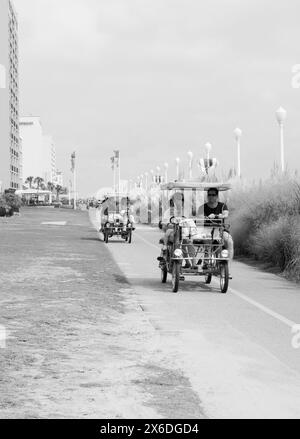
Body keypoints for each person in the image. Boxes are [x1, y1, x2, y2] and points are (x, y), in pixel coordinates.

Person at [197, 187, 234, 261]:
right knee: (207, 242)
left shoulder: (222, 206)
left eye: (213, 195)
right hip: (206, 230)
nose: (211, 196)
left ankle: (228, 261)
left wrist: (220, 215)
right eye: (209, 195)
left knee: (229, 241)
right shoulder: (202, 207)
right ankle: (206, 259)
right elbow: (199, 217)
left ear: (217, 196)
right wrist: (207, 217)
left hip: (220, 230)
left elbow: (226, 214)